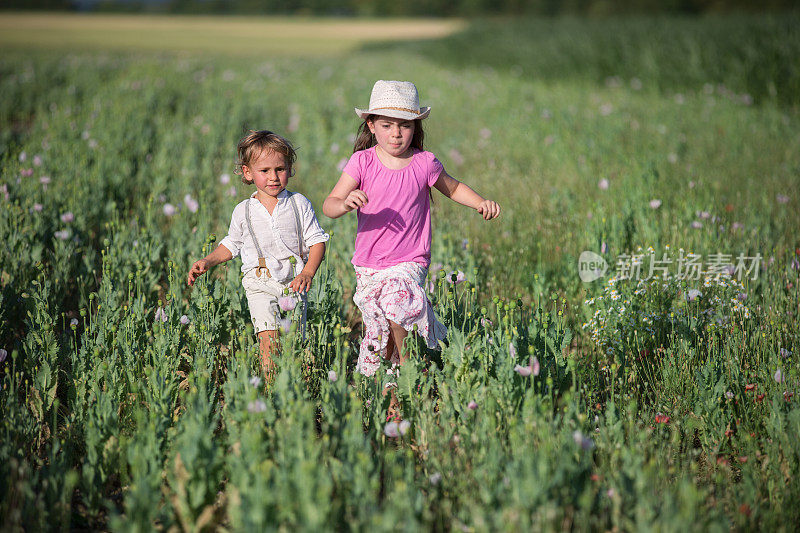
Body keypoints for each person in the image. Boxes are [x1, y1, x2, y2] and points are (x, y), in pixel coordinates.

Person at [323, 80, 500, 414]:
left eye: (404, 125)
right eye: (387, 125)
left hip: (410, 261)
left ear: (415, 126)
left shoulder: (425, 163)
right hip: (369, 264)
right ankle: (393, 392)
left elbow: (453, 187)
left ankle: (409, 366)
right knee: (378, 331)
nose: (395, 133)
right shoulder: (362, 162)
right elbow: (329, 204)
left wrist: (480, 203)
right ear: (372, 125)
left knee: (396, 301)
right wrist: (345, 202)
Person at [188, 130, 329, 382]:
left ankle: (300, 389)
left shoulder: (299, 204)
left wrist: (308, 272)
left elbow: (317, 241)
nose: (273, 177)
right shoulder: (243, 211)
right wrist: (208, 261)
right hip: (259, 283)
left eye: (280, 169)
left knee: (296, 341)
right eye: (264, 171)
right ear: (247, 173)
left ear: (289, 168)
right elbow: (232, 244)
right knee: (268, 338)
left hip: (294, 283)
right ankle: (271, 387)